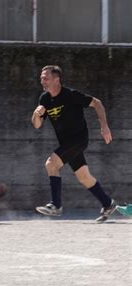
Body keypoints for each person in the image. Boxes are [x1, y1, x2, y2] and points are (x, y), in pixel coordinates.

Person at [32, 65, 116, 223]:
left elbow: (97, 103)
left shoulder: (70, 95)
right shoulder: (44, 99)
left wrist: (104, 126)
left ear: (56, 80)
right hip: (66, 143)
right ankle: (107, 203)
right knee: (84, 177)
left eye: (46, 78)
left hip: (78, 139)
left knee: (51, 164)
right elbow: (37, 125)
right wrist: (36, 115)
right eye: (41, 78)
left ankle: (56, 205)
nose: (42, 80)